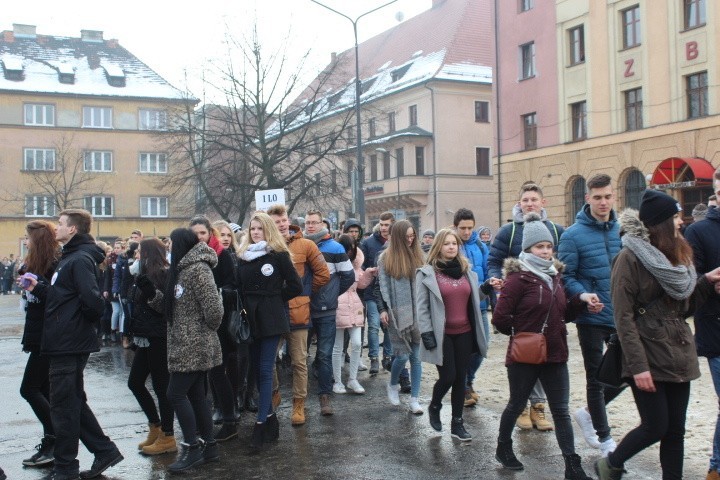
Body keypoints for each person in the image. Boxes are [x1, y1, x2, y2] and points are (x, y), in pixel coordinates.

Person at [596, 190, 720, 479]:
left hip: (678, 351)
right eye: (674, 218)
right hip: (647, 354)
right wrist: (638, 367)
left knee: (675, 431)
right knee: (656, 425)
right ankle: (612, 462)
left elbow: (682, 306)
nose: (680, 223)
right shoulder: (628, 258)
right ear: (660, 223)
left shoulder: (678, 255)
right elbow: (623, 318)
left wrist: (704, 283)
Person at [22, 209, 124, 480]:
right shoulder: (70, 258)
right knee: (72, 402)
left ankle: (66, 467)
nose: (56, 228)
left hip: (69, 343)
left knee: (63, 407)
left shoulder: (78, 259)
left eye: (61, 224)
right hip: (64, 341)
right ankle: (104, 451)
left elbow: (93, 302)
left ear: (73, 230)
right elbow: (60, 296)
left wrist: (75, 325)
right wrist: (37, 288)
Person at [492, 213, 595, 479]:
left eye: (549, 246)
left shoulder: (555, 276)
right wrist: (523, 335)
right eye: (540, 246)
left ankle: (572, 464)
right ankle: (503, 448)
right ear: (528, 249)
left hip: (556, 352)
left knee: (560, 410)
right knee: (516, 404)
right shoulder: (518, 279)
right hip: (526, 354)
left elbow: (563, 314)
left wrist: (582, 302)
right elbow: (500, 318)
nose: (546, 251)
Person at [489, 182, 564, 431]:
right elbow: (494, 259)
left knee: (544, 354)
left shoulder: (555, 229)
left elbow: (562, 264)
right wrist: (495, 279)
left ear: (543, 202)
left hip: (547, 304)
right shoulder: (508, 231)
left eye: (534, 199)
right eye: (525, 200)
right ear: (519, 203)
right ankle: (521, 405)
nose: (530, 204)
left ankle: (538, 407)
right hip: (519, 303)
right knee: (524, 354)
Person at [558, 173, 623, 457]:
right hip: (591, 316)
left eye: (608, 196)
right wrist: (583, 296)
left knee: (626, 373)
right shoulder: (572, 235)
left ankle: (586, 414)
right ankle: (605, 438)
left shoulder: (621, 230)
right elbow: (565, 276)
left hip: (621, 315)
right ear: (588, 199)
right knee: (596, 378)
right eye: (597, 197)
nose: (603, 202)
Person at [417, 228, 491, 441]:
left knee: (461, 379)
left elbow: (473, 297)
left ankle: (457, 424)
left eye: (454, 243)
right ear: (439, 246)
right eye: (447, 243)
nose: (451, 247)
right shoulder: (427, 273)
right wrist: (426, 333)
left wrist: (486, 287)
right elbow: (422, 308)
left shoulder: (468, 271)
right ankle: (435, 404)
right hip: (442, 335)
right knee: (448, 376)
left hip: (465, 332)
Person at [237, 212, 302, 450]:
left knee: (265, 370)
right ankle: (272, 420)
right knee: (255, 370)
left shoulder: (279, 255)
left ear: (268, 231)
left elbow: (295, 285)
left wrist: (274, 300)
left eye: (260, 229)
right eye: (252, 229)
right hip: (249, 320)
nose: (255, 233)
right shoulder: (242, 256)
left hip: (271, 320)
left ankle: (261, 423)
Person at [163, 227, 223, 472]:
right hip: (187, 345)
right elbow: (179, 307)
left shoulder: (198, 269)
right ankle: (209, 447)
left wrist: (200, 332)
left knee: (175, 394)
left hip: (193, 346)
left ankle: (192, 447)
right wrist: (150, 295)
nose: (168, 248)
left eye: (170, 244)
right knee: (197, 396)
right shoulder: (183, 270)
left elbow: (214, 310)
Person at [267, 205, 330, 426]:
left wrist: (303, 293)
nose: (282, 224)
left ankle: (298, 404)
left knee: (299, 362)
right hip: (272, 312)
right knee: (268, 360)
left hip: (298, 312)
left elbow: (323, 274)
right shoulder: (265, 247)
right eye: (276, 222)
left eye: (283, 220)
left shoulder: (307, 244)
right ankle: (274, 393)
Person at [189, 216, 238, 442]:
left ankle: (229, 417)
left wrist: (216, 293)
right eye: (195, 234)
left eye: (202, 233)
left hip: (220, 320)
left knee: (219, 371)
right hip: (198, 323)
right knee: (205, 372)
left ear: (210, 234)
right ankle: (209, 416)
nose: (199, 237)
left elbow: (233, 285)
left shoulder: (222, 255)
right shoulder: (188, 255)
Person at [126, 238, 176, 456]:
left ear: (148, 253)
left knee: (161, 386)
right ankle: (154, 426)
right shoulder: (141, 274)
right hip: (144, 337)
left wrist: (149, 292)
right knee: (135, 383)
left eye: (140, 251)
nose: (137, 255)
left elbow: (165, 307)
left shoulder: (164, 274)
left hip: (159, 337)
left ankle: (168, 434)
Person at [17, 220, 60, 468]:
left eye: (28, 237)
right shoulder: (38, 262)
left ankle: (56, 437)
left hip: (48, 334)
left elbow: (54, 298)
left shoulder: (54, 264)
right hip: (38, 331)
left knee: (29, 389)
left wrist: (35, 284)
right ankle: (52, 442)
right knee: (42, 390)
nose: (25, 241)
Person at [685, 178, 720, 480]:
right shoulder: (697, 231)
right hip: (716, 328)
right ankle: (717, 467)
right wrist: (709, 280)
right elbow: (689, 286)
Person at [304, 210, 354, 416]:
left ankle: (324, 397)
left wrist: (332, 295)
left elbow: (348, 276)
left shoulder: (335, 248)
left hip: (326, 310)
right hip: (303, 308)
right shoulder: (300, 246)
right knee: (299, 357)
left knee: (323, 355)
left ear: (322, 224)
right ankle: (300, 401)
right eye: (308, 222)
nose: (311, 226)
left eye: (314, 222)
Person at [375, 220, 424, 414]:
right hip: (397, 313)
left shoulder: (420, 256)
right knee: (402, 355)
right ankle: (393, 383)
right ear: (398, 238)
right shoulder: (385, 258)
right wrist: (382, 310)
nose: (410, 240)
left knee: (417, 358)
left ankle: (414, 399)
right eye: (406, 237)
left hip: (418, 312)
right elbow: (379, 288)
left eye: (413, 236)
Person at [452, 208, 490, 408]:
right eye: (462, 228)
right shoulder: (451, 246)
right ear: (455, 227)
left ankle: (468, 380)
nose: (466, 232)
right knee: (464, 350)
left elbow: (486, 271)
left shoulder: (481, 247)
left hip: (481, 305)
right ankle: (463, 387)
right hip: (459, 308)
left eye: (469, 228)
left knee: (483, 347)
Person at [333, 234, 372, 394]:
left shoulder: (357, 266)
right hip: (337, 306)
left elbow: (361, 285)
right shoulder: (333, 265)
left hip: (354, 305)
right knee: (337, 347)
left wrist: (368, 273)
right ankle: (337, 381)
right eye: (347, 248)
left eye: (351, 248)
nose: (349, 252)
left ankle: (353, 379)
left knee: (357, 343)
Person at [360, 212, 395, 374]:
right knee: (373, 325)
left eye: (386, 225)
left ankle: (387, 357)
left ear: (392, 225)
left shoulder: (396, 243)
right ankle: (373, 358)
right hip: (372, 290)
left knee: (388, 326)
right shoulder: (368, 243)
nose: (383, 228)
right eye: (381, 224)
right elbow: (361, 266)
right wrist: (368, 271)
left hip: (390, 292)